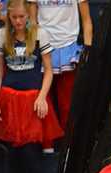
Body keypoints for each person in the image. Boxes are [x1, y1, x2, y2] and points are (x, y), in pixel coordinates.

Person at [0, 0, 63, 173]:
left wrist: (43, 96)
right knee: (12, 152)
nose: (18, 21)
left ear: (28, 15)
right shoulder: (1, 35)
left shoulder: (39, 34)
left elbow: (48, 71)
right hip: (9, 99)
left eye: (22, 17)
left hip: (32, 100)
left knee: (31, 152)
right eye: (14, 17)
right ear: (9, 17)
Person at [27, 0, 92, 131]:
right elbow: (32, 22)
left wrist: (87, 49)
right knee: (42, 102)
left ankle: (68, 145)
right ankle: (47, 145)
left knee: (67, 103)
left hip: (68, 46)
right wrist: (33, 47)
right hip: (43, 47)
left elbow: (86, 21)